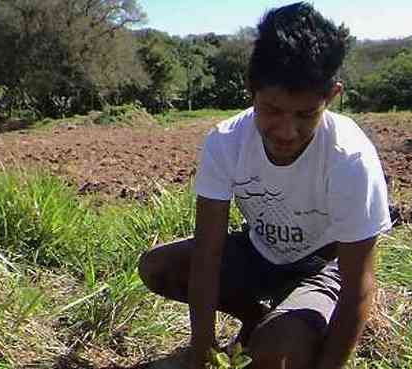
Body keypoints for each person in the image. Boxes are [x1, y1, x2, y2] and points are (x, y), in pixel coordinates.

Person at [138, 2, 391, 369]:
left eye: (306, 114)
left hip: (322, 268)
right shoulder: (225, 142)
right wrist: (202, 352)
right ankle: (259, 316)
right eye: (272, 110)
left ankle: (291, 324)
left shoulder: (349, 158)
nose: (287, 132)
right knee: (158, 266)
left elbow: (358, 288)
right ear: (251, 89)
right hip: (259, 254)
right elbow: (208, 257)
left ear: (332, 96)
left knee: (274, 355)